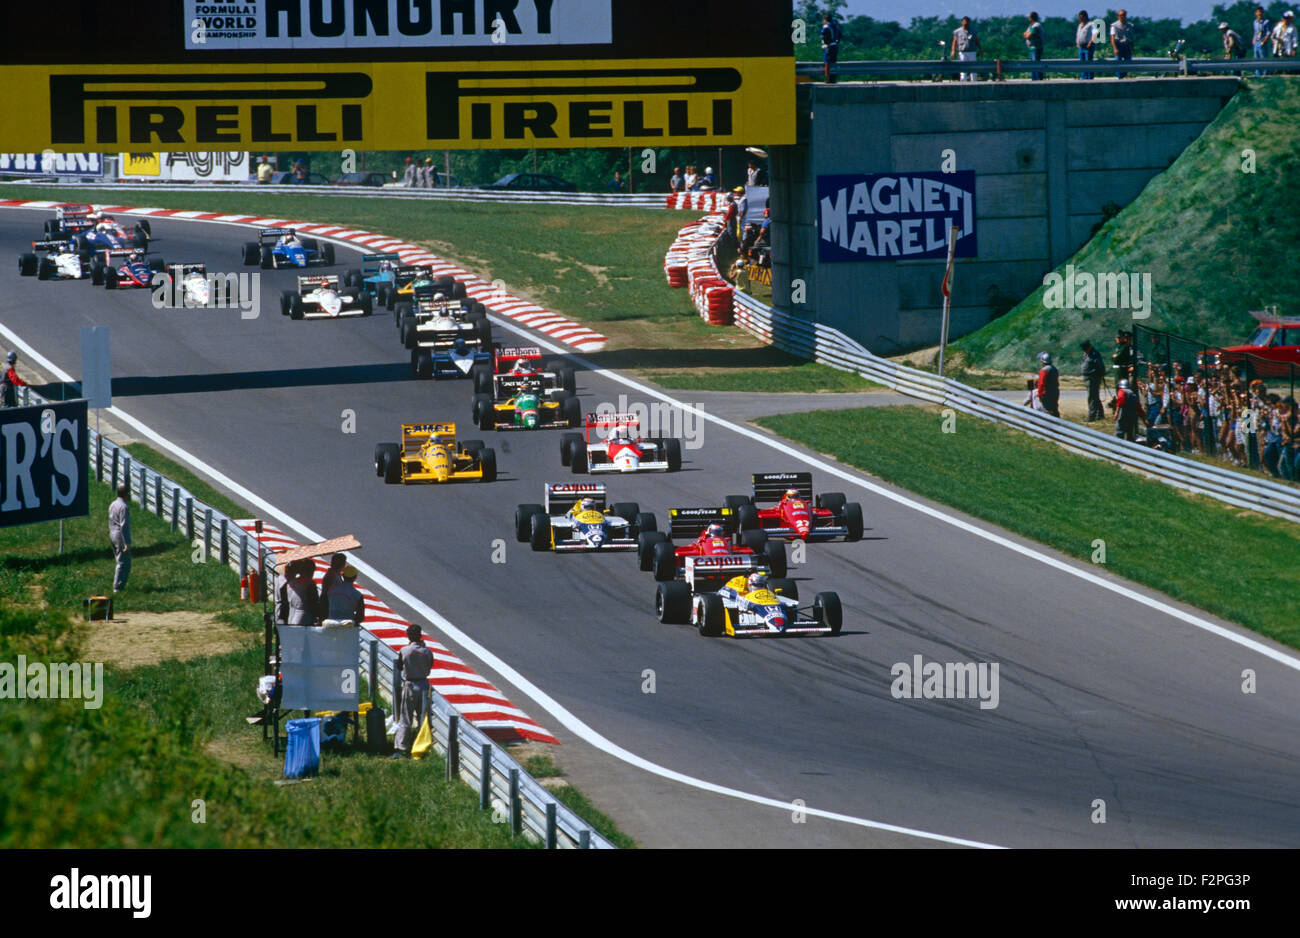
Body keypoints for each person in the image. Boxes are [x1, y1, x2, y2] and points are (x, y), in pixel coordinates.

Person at [391, 624, 435, 759]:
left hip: (410, 684)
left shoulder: (404, 650)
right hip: (424, 684)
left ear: (408, 636)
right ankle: (422, 744)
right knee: (423, 717)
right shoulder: (427, 651)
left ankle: (402, 747)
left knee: (405, 717)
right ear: (420, 635)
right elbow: (430, 665)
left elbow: (399, 666)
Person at [278, 559, 319, 626]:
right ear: (310, 570)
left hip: (291, 616)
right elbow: (314, 603)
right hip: (305, 618)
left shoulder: (290, 583)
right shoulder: (310, 584)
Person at [108, 484, 131, 593]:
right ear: (126, 494)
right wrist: (127, 542)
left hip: (112, 532)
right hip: (119, 535)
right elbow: (124, 525)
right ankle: (118, 587)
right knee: (123, 562)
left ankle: (118, 586)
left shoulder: (113, 504)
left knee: (119, 560)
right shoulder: (124, 507)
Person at [1080, 340, 1106, 421]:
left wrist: (1101, 375)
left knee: (1092, 397)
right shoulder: (1086, 354)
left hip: (1093, 378)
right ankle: (1100, 415)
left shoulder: (1094, 354)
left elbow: (1100, 366)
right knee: (1094, 397)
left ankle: (1092, 416)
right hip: (1088, 378)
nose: (1085, 351)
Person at [952, 17, 980, 81]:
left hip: (972, 51)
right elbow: (954, 42)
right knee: (963, 70)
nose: (966, 23)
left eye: (967, 22)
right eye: (964, 21)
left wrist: (980, 49)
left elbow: (977, 41)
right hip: (962, 52)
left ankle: (974, 83)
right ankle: (963, 83)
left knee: (973, 69)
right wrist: (953, 51)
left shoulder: (973, 31)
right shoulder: (957, 31)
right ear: (962, 22)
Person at [1036, 351, 1060, 417]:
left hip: (1047, 394)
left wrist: (1040, 394)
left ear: (1043, 362)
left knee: (1047, 410)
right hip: (1055, 392)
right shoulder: (1054, 369)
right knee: (1054, 408)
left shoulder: (1044, 370)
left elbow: (1041, 384)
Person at [1110, 10, 1133, 78]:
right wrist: (1115, 48)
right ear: (1118, 16)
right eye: (1120, 15)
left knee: (1128, 62)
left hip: (1127, 45)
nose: (1122, 17)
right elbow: (1112, 38)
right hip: (1118, 45)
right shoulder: (1114, 26)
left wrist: (1132, 47)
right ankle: (1119, 77)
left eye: (1123, 15)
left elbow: (1131, 37)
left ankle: (1125, 75)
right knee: (1118, 63)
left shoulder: (1129, 25)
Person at [1077, 10, 1097, 79]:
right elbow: (1078, 35)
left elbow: (1095, 33)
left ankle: (1089, 78)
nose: (1080, 19)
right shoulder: (1080, 25)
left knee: (1088, 63)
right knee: (1082, 64)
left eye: (1081, 17)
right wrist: (1077, 43)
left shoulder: (1091, 24)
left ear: (1085, 17)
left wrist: (1090, 42)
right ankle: (1084, 78)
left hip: (1088, 46)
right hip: (1081, 46)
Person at [821, 13, 841, 83]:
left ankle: (827, 79)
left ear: (825, 19)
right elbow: (839, 35)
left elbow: (824, 35)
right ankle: (833, 79)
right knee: (833, 62)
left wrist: (826, 43)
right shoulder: (835, 26)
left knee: (827, 63)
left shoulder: (826, 26)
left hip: (829, 46)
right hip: (835, 45)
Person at [1024, 12, 1045, 80]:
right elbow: (1025, 34)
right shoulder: (1031, 25)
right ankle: (1034, 79)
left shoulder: (1036, 26)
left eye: (1029, 17)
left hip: (1036, 48)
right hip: (1032, 48)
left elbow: (1028, 35)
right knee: (1032, 65)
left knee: (1035, 65)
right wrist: (1026, 34)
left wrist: (1026, 34)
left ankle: (1037, 79)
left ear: (1031, 17)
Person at [1253, 7, 1272, 74]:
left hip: (1262, 42)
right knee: (1256, 59)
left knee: (1263, 59)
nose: (1259, 13)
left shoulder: (1266, 22)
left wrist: (1264, 41)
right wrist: (1253, 40)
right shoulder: (1255, 22)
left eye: (1261, 12)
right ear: (1256, 13)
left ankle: (1265, 74)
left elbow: (1268, 32)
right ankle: (1258, 75)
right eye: (1258, 12)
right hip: (1256, 42)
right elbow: (1255, 32)